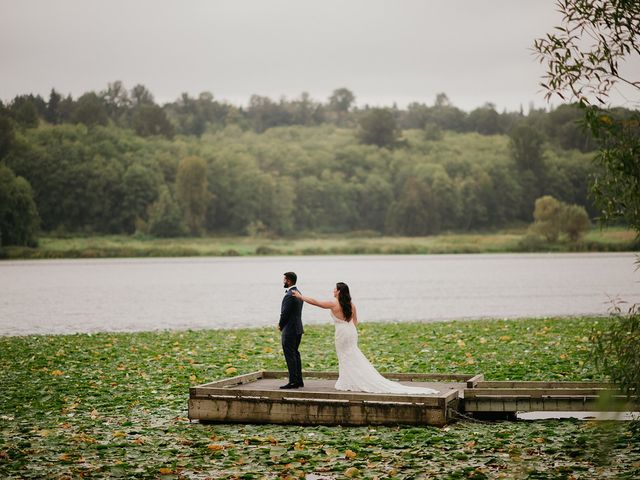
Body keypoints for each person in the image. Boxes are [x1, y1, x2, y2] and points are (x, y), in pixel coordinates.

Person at [293, 282, 438, 395]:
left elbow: (316, 302)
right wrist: (350, 330)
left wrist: (301, 297)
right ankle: (347, 380)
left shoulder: (333, 303)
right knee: (351, 355)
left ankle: (349, 381)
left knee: (345, 356)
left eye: (334, 289)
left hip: (342, 333)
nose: (332, 290)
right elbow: (355, 321)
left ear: (338, 291)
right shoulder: (351, 304)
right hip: (351, 331)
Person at [279, 272, 304, 389]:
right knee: (295, 354)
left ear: (288, 280)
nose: (283, 281)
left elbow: (285, 313)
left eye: (284, 279)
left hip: (289, 329)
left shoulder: (289, 295)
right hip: (298, 328)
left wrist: (280, 325)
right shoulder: (298, 293)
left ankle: (293, 381)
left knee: (290, 355)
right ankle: (299, 380)